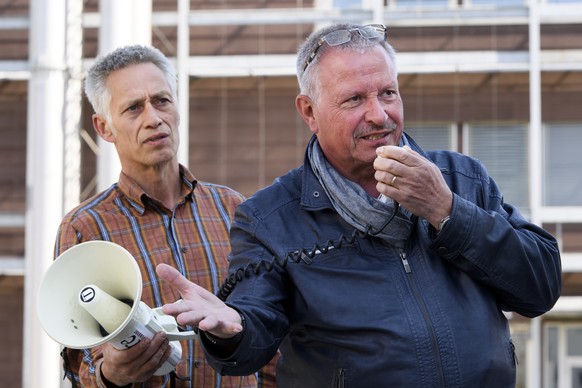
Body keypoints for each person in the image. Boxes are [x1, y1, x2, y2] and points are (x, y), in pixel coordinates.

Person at [155, 23, 562, 387]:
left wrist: (446, 210)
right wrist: (233, 330)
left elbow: (539, 288)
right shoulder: (269, 217)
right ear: (309, 112)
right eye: (354, 100)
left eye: (388, 93)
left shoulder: (460, 178)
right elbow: (252, 342)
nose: (379, 114)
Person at [54, 45, 276, 387]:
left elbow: (269, 332)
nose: (153, 118)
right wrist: (111, 375)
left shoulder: (234, 209)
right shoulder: (84, 229)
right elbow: (80, 361)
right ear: (104, 127)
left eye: (162, 101)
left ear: (177, 108)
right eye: (133, 108)